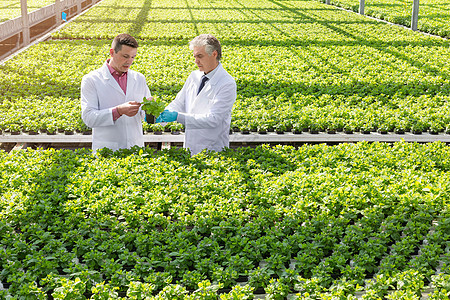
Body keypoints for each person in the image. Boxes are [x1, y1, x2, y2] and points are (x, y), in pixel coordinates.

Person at [156, 34, 237, 155]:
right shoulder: (194, 76)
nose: (196, 61)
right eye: (194, 56)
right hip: (190, 145)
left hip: (212, 148)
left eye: (200, 56)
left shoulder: (227, 83)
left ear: (214, 54)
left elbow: (213, 119)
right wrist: (161, 116)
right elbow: (179, 102)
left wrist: (177, 117)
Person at [81, 33, 151, 153]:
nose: (129, 61)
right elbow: (89, 118)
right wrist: (118, 111)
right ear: (112, 52)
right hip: (107, 149)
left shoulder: (139, 78)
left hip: (135, 147)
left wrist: (150, 109)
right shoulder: (91, 79)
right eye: (125, 56)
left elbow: (145, 114)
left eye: (133, 57)